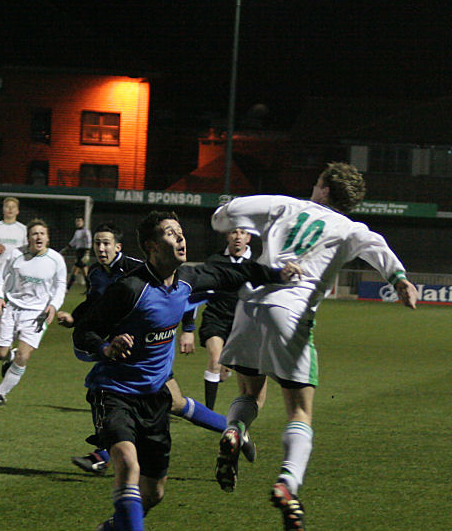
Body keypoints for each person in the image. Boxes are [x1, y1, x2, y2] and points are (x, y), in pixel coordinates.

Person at [211, 162, 418, 531]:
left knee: (249, 391)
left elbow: (226, 216)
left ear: (324, 188)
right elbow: (377, 247)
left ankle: (234, 430)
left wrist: (226, 215)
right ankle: (287, 484)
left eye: (318, 182)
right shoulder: (350, 227)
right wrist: (398, 278)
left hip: (251, 304)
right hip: (291, 310)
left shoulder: (285, 206)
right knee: (300, 411)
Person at [73, 211, 302, 531]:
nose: (181, 238)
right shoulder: (129, 289)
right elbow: (84, 333)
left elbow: (236, 273)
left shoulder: (187, 281)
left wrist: (277, 274)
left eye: (180, 232)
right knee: (127, 463)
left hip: (156, 398)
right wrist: (106, 348)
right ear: (152, 246)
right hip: (113, 392)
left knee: (154, 494)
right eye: (171, 233)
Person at [61, 223, 236, 476]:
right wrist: (76, 320)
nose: (101, 248)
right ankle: (233, 429)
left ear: (118, 246)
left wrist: (188, 328)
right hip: (120, 349)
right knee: (175, 403)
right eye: (97, 243)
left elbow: (181, 293)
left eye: (106, 243)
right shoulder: (97, 273)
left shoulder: (137, 270)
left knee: (113, 394)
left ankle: (103, 454)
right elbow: (94, 303)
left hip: (146, 351)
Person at [0, 219, 67, 405]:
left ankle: (0, 393)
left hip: (37, 315)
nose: (38, 236)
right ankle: (9, 355)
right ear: (28, 238)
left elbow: (60, 286)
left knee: (23, 356)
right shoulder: (14, 255)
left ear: (47, 238)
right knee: (0, 354)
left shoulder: (56, 260)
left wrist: (54, 306)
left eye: (42, 233)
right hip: (12, 309)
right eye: (34, 233)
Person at [199, 227, 268, 411]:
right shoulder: (215, 261)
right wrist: (188, 329)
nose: (238, 236)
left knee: (242, 371)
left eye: (243, 232)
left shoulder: (258, 263)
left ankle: (241, 409)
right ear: (227, 235)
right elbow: (199, 292)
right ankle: (209, 412)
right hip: (216, 317)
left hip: (244, 323)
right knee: (215, 359)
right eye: (234, 232)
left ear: (249, 237)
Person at [0, 197, 27, 280]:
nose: (10, 209)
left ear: (17, 211)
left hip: (17, 270)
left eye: (13, 207)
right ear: (3, 210)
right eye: (7, 206)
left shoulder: (24, 230)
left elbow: (28, 251)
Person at [64, 216, 92, 291]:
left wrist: (87, 253)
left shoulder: (86, 231)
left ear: (83, 222)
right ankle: (90, 288)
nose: (78, 223)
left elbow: (89, 241)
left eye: (79, 221)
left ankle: (67, 288)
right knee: (84, 272)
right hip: (78, 251)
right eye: (77, 221)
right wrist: (67, 248)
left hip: (83, 251)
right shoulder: (77, 232)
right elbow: (74, 241)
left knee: (75, 270)